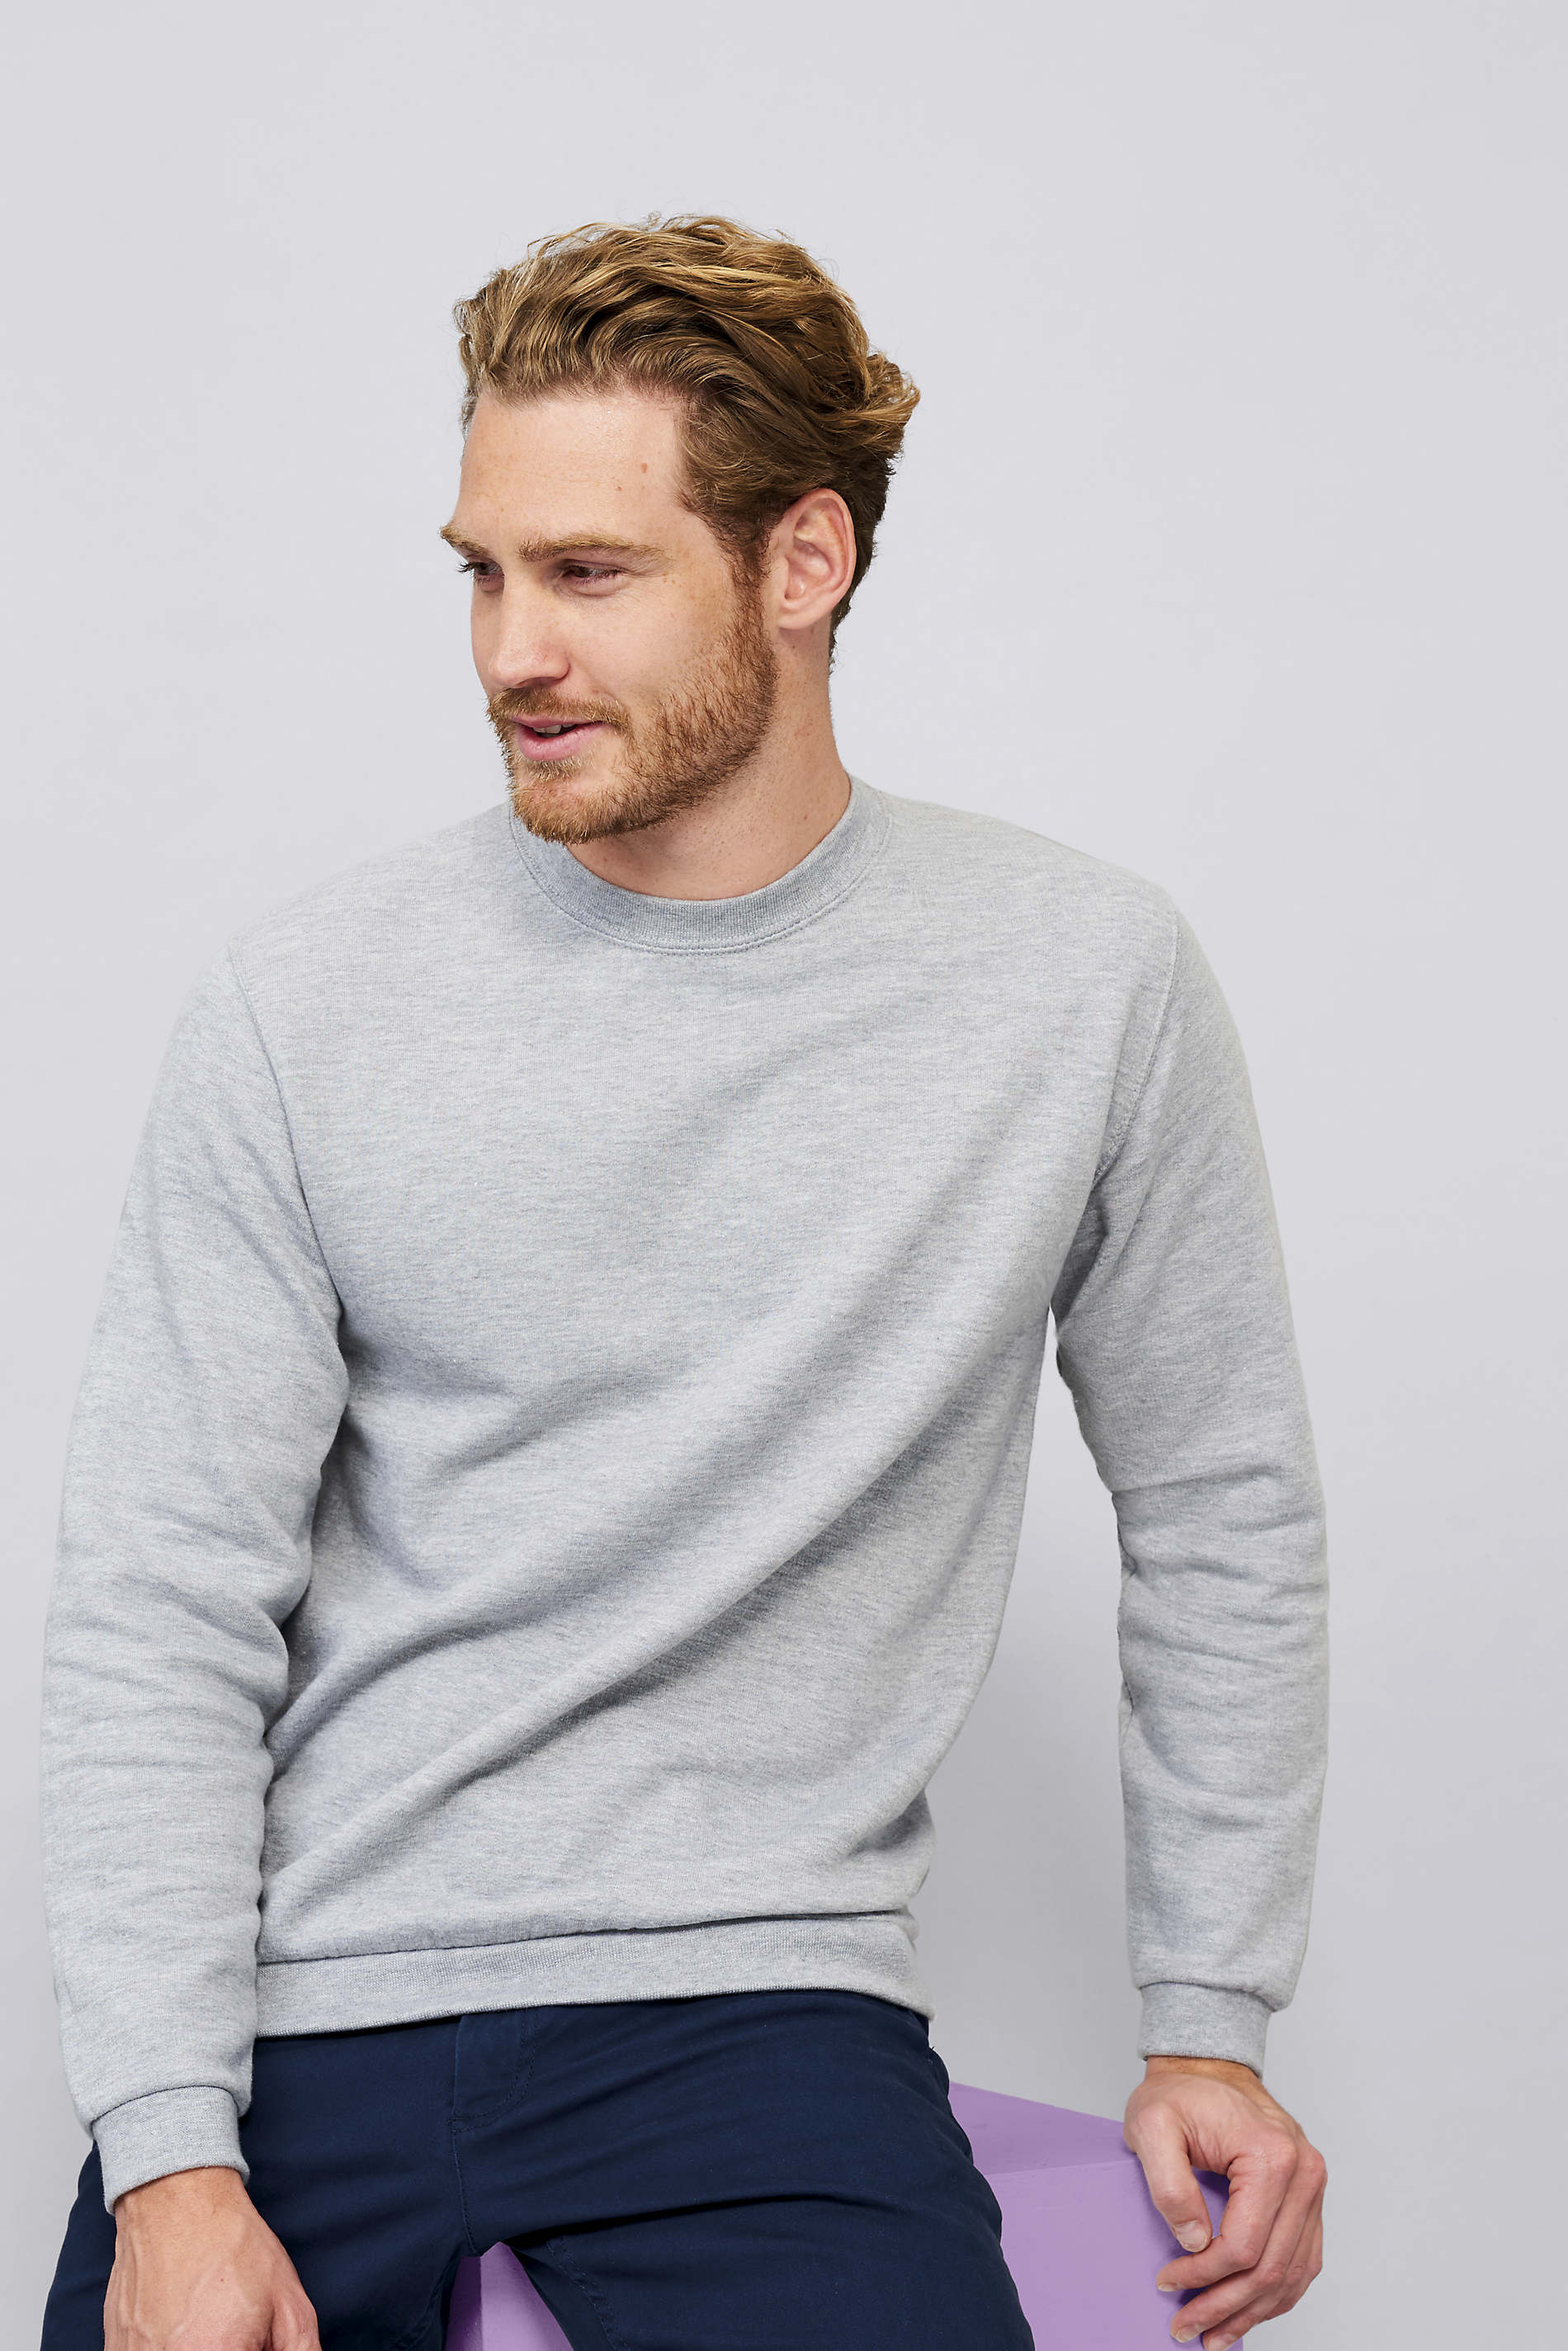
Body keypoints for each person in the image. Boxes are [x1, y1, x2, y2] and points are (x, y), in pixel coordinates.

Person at [39, 215, 1329, 2351]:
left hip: (754, 2016)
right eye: (482, 572)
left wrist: (1210, 2015)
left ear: (802, 561)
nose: (510, 650)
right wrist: (173, 2153)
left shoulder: (1078, 981)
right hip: (307, 2024)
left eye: (588, 572)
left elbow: (1223, 1512)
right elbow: (159, 1599)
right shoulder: (306, 1002)